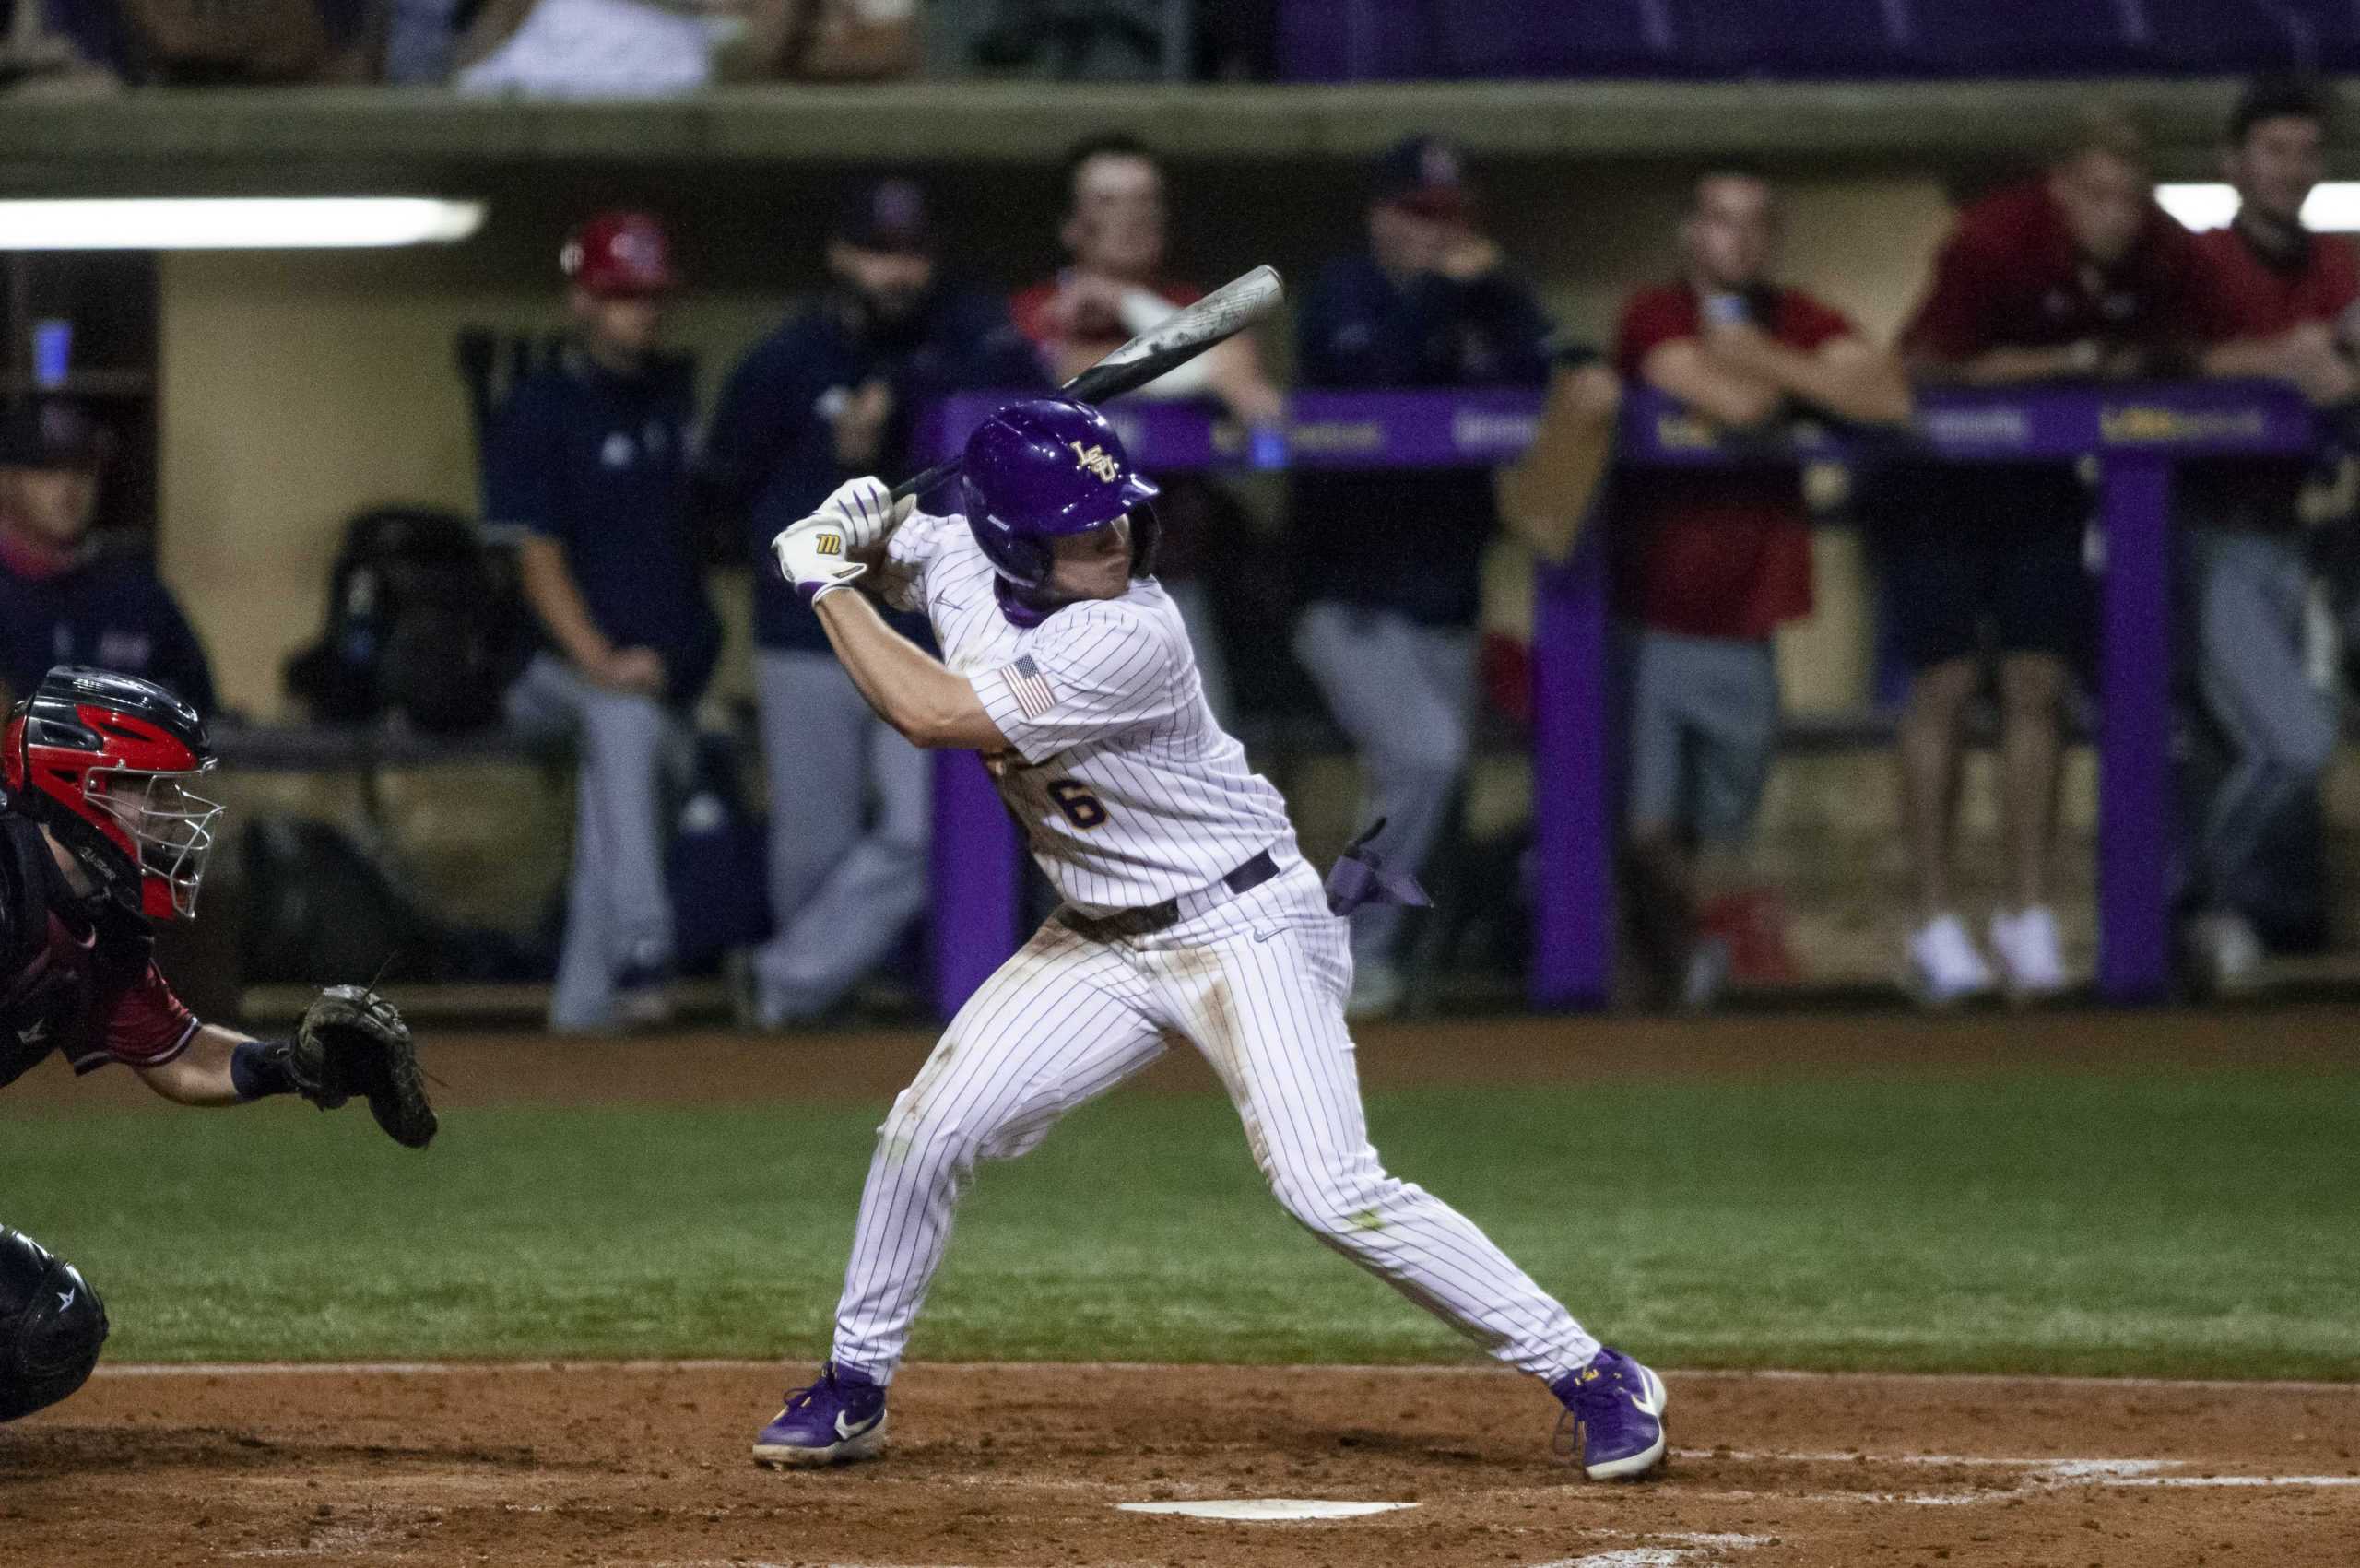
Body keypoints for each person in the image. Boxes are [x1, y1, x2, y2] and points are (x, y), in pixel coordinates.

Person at [749, 398, 1668, 1482]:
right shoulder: (960, 550)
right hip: (1095, 938)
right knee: (924, 1132)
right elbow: (918, 557)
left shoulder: (1128, 630)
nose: (1116, 539)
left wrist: (823, 579)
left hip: (1246, 924)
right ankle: (856, 1384)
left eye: (1117, 519)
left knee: (1327, 1188)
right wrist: (859, 525)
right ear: (1005, 539)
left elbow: (936, 711)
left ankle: (1596, 1373)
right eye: (1080, 528)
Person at [0, 666, 433, 1425]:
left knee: (49, 1323)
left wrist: (295, 1064)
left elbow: (176, 1052)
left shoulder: (96, 921)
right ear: (80, 785)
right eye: (151, 790)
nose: (172, 816)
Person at [704, 179, 1043, 1028]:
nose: (897, 272)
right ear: (841, 254)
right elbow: (718, 491)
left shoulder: (969, 334)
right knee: (810, 854)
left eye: (912, 253)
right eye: (879, 252)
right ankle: (809, 1025)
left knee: (922, 831)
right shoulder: (787, 359)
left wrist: (914, 405)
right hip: (806, 627)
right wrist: (827, 481)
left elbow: (1031, 400)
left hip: (926, 630)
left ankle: (782, 984)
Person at [1887, 112, 2204, 1005]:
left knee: (2036, 684)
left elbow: (2185, 341)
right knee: (1945, 687)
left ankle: (2027, 913)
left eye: (2129, 198)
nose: (2115, 214)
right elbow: (1929, 365)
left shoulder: (2158, 250)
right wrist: (2067, 360)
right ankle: (1932, 920)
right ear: (2058, 186)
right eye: (2096, 195)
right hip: (1934, 487)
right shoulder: (1991, 241)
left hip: (2040, 488)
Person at [1614, 166, 1912, 1008]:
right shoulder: (1654, 312)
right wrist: (1805, 385)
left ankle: (1696, 963)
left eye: (1754, 224)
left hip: (1748, 619)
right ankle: (1679, 963)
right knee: (1645, 827)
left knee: (1724, 829)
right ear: (1689, 234)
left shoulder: (1795, 318)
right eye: (1718, 221)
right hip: (1649, 617)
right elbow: (1733, 406)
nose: (1735, 240)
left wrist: (1761, 355)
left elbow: (1886, 395)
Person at [1290, 133, 1553, 1016]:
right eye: (1419, 215)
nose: (1438, 235)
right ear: (1381, 216)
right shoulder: (1343, 296)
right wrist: (1446, 290)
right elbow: (1375, 378)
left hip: (1447, 597)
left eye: (1452, 218)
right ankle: (1344, 950)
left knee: (1426, 783)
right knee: (1425, 756)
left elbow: (1552, 368)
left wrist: (1502, 292)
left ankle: (1396, 966)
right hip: (1346, 598)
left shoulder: (1486, 302)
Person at [491, 211, 721, 1032]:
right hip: (552, 674)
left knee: (611, 820)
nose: (643, 311)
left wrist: (677, 662)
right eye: (623, 295)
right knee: (622, 728)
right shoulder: (541, 405)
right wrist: (601, 659)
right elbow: (537, 557)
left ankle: (582, 1021)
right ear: (582, 299)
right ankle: (647, 945)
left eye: (652, 296)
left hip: (653, 676)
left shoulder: (673, 401)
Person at [1010, 131, 1287, 723]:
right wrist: (1186, 363)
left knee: (1204, 778)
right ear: (1070, 226)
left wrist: (1124, 300)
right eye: (1108, 202)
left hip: (1169, 580)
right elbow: (1077, 378)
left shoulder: (1191, 303)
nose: (1133, 217)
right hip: (1055, 593)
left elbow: (1248, 392)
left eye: (1146, 201)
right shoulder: (1034, 312)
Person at [2178, 77, 2357, 993]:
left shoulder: (2340, 261)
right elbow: (2170, 360)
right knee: (2292, 740)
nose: (2292, 168)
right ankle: (2195, 903)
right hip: (2206, 533)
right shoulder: (2198, 260)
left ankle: (2215, 918)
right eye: (2274, 151)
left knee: (2263, 747)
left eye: (2304, 151)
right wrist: (2287, 360)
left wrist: (2337, 346)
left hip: (2305, 537)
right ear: (2234, 163)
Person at [0, 398, 215, 716]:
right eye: (47, 470)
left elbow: (201, 718)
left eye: (83, 469)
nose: (68, 487)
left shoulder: (137, 595)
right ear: (6, 479)